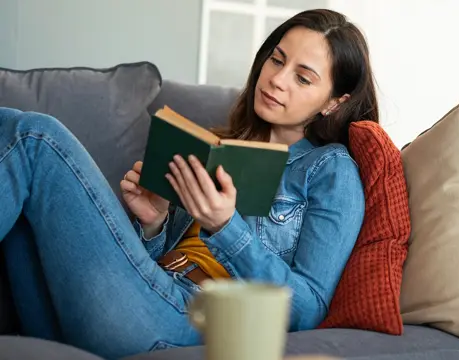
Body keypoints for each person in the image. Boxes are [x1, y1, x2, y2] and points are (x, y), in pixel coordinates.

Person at [0, 8, 378, 360]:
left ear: (333, 102)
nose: (277, 79)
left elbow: (308, 310)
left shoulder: (330, 169)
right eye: (277, 59)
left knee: (36, 138)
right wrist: (153, 224)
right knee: (24, 187)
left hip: (192, 318)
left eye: (303, 77)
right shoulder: (216, 147)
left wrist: (225, 226)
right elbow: (152, 264)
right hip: (152, 292)